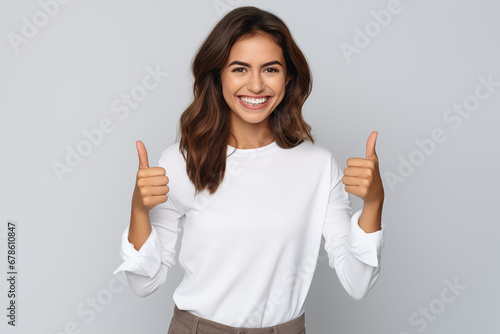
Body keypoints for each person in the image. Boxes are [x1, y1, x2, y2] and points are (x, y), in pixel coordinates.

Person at [113, 6, 385, 334]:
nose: (255, 86)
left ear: (288, 77)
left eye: (270, 69)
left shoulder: (318, 166)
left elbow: (357, 284)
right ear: (218, 76)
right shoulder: (183, 161)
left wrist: (373, 204)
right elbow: (144, 283)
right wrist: (139, 209)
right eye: (240, 69)